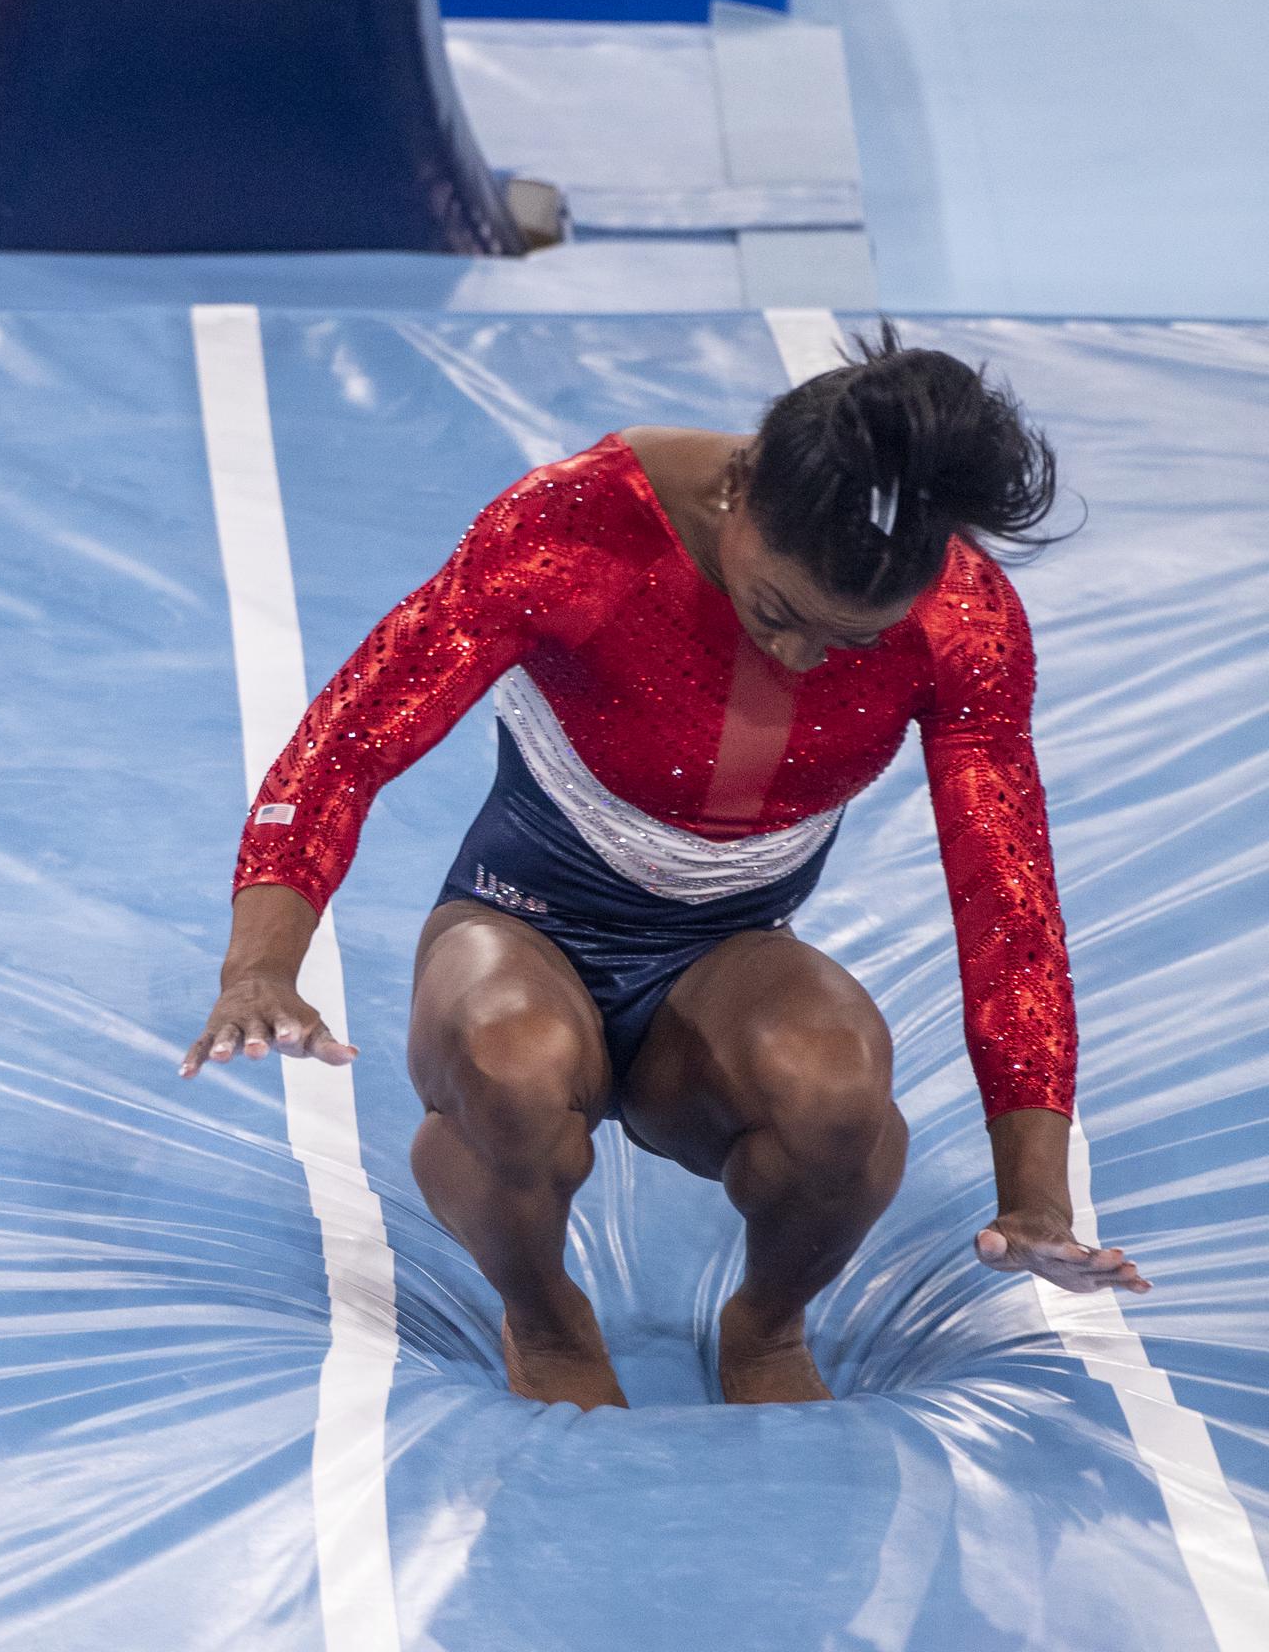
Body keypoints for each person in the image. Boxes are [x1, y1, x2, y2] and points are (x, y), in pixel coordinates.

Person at [181, 326, 1150, 1409]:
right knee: (511, 1061)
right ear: (739, 489)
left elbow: (1008, 901)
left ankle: (767, 1322)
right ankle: (544, 1315)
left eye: (846, 643)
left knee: (838, 1096)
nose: (796, 657)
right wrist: (260, 965)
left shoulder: (962, 622)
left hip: (726, 957)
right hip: (523, 916)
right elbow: (348, 740)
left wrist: (1035, 1198)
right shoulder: (578, 526)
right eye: (778, 611)